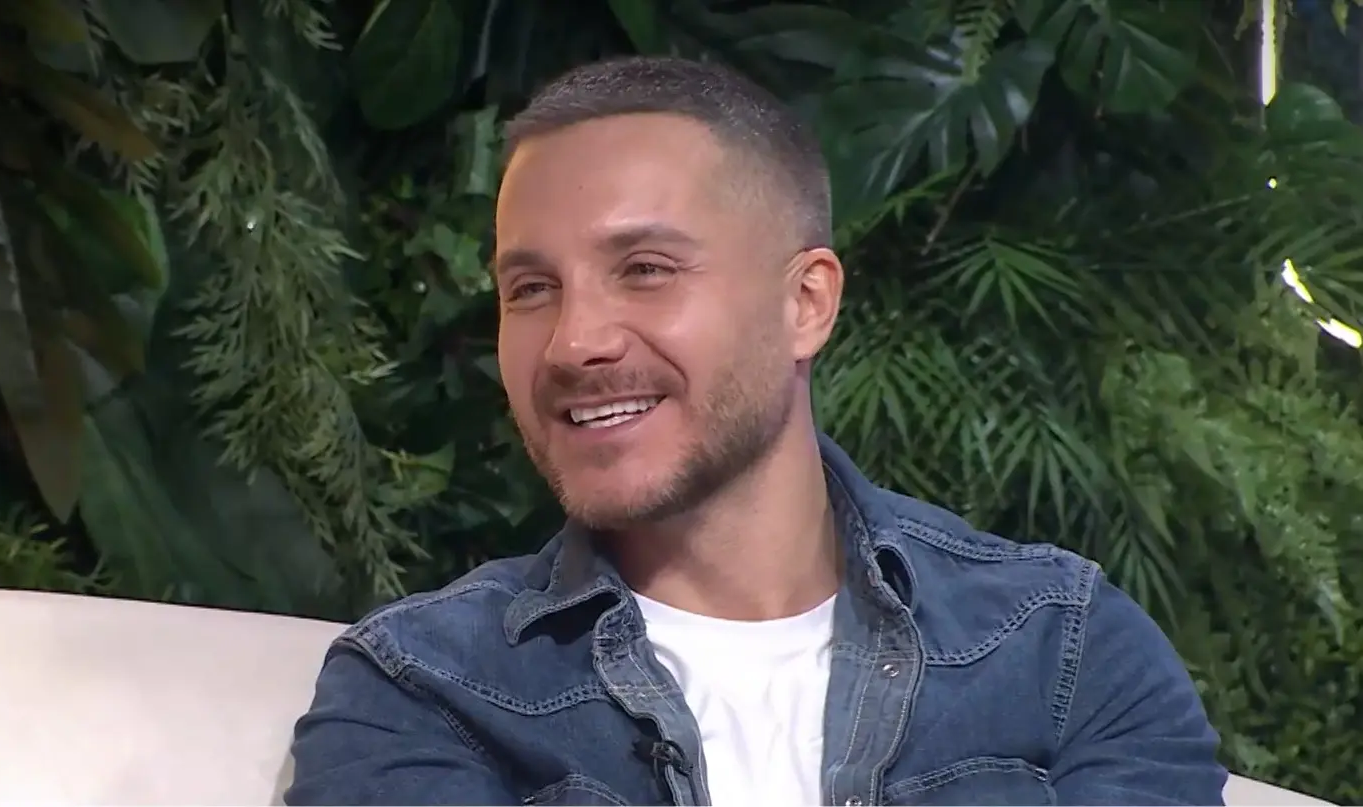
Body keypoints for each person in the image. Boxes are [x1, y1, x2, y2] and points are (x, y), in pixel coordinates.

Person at [284, 56, 1228, 806]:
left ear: (805, 302)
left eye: (646, 269)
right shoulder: (422, 692)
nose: (573, 342)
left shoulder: (1060, 650)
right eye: (530, 288)